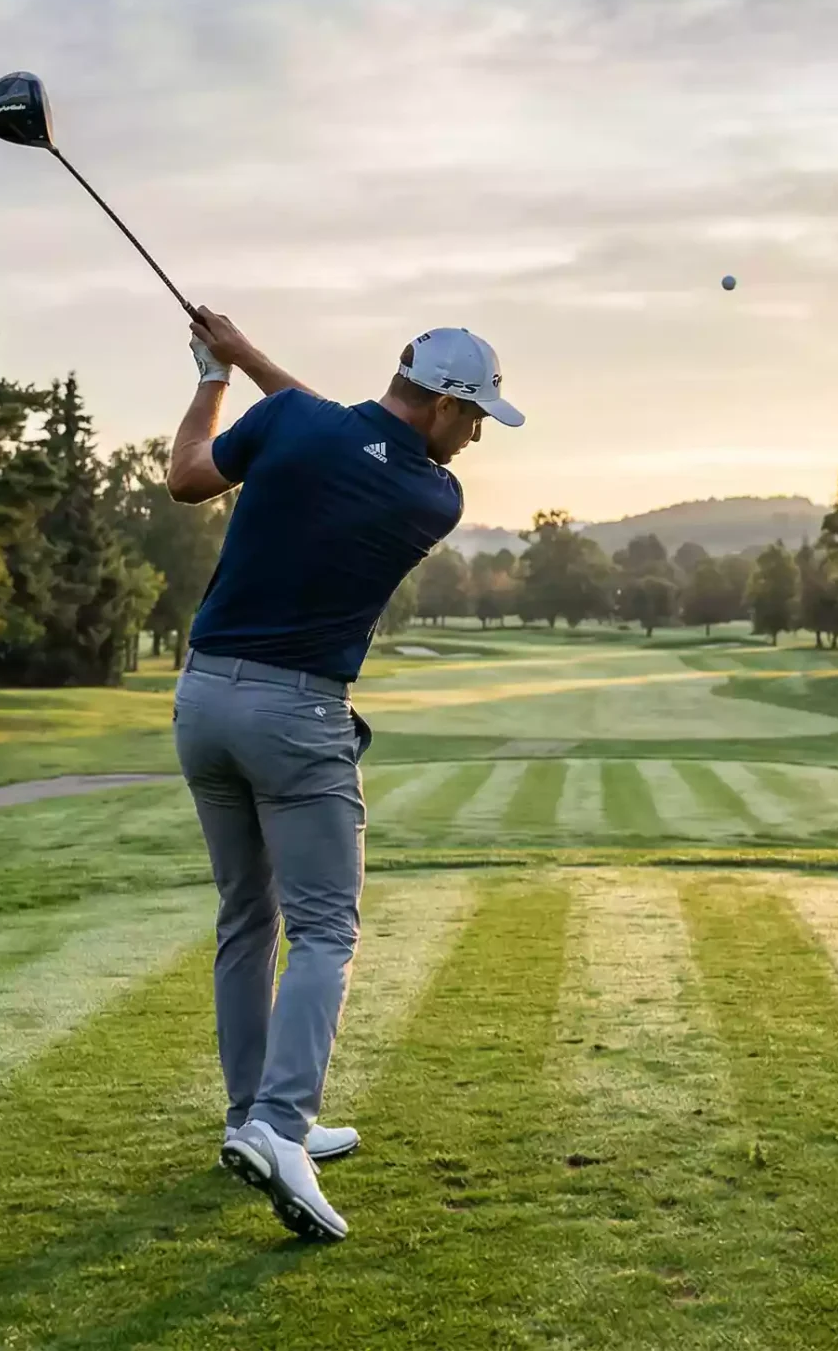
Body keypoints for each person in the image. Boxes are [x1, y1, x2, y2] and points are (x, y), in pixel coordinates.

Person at [167, 311, 523, 1241]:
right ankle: (281, 1129)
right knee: (326, 927)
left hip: (202, 701)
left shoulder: (295, 426)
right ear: (443, 406)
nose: (477, 433)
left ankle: (249, 1116)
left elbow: (188, 477)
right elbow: (321, 417)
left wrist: (216, 373)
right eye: (474, 414)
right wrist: (242, 358)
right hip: (298, 717)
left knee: (247, 915)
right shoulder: (430, 496)